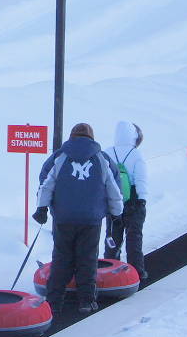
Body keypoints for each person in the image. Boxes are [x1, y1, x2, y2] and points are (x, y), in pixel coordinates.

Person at [33, 122, 123, 314]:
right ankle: (86, 301)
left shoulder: (59, 157)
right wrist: (116, 213)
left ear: (72, 136)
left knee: (61, 258)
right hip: (91, 219)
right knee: (87, 259)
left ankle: (54, 302)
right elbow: (114, 188)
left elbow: (46, 184)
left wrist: (42, 208)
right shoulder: (102, 158)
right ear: (91, 137)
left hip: (64, 217)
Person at [104, 121, 149, 281]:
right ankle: (136, 272)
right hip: (134, 203)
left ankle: (109, 271)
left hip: (113, 203)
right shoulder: (136, 154)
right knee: (134, 237)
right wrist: (142, 199)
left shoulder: (107, 153)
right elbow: (141, 179)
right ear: (133, 136)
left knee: (112, 239)